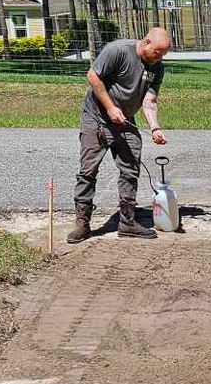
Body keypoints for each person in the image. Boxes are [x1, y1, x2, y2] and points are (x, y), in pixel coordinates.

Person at [73, 27, 173, 242]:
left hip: (125, 121)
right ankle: (82, 223)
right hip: (96, 119)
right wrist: (110, 107)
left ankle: (127, 222)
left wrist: (155, 127)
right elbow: (92, 76)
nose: (160, 58)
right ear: (146, 42)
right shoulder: (118, 50)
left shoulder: (157, 67)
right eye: (157, 52)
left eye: (164, 54)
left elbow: (149, 101)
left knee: (130, 169)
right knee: (88, 171)